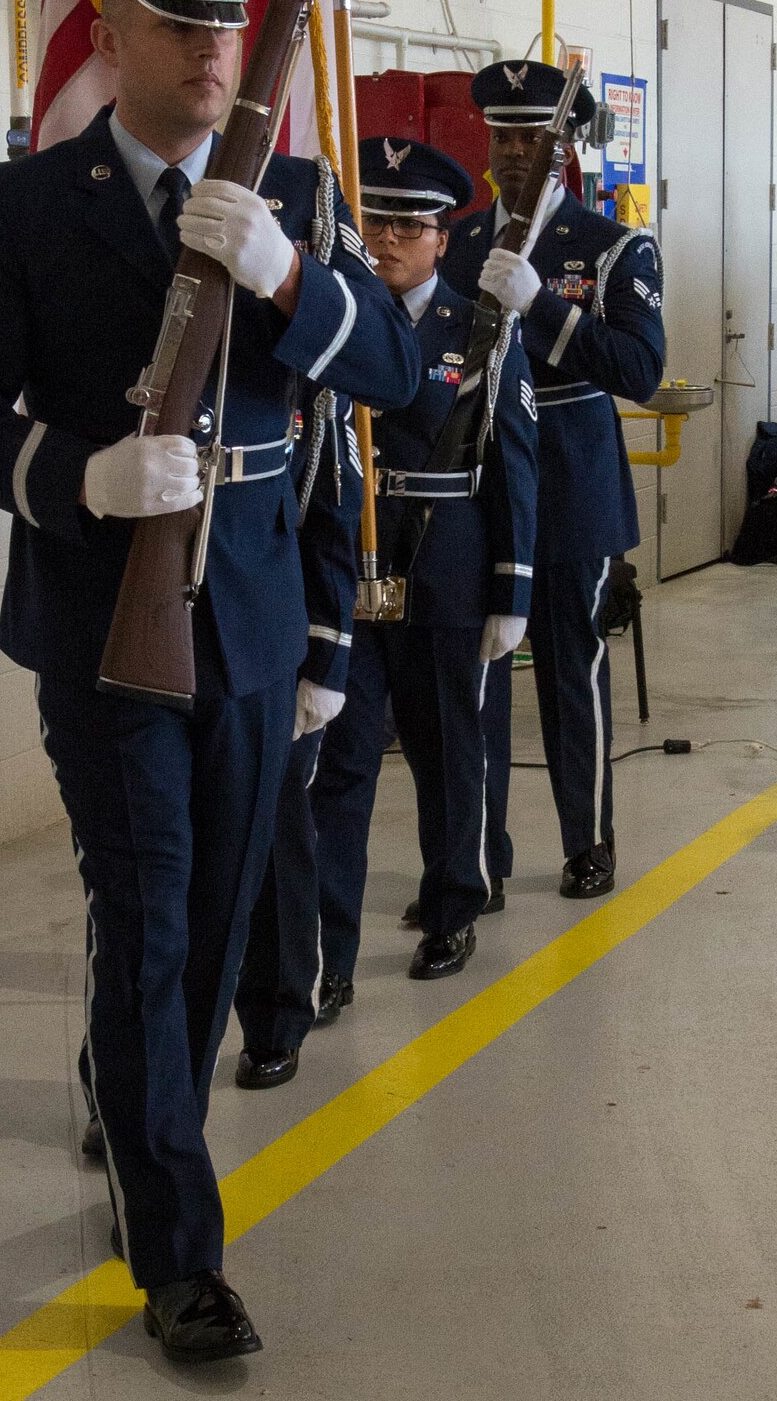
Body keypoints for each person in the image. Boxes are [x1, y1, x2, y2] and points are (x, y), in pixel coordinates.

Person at [0, 0, 418, 1366]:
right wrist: (77, 478)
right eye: (181, 24)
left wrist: (285, 275)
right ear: (108, 33)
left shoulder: (302, 199)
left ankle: (136, 1110)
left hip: (252, 609)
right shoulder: (17, 205)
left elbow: (395, 376)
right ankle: (178, 1255)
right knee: (147, 914)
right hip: (103, 609)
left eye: (228, 26)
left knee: (210, 919)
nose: (212, 50)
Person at [300, 135, 538, 1018]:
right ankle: (327, 953)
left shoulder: (478, 332)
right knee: (342, 760)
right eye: (375, 221)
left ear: (444, 239)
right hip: (348, 567)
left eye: (411, 225)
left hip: (447, 564)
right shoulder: (334, 319)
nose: (391, 239)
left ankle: (452, 907)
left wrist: (510, 591)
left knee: (446, 750)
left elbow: (513, 462)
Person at [442, 60, 666, 900]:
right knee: (477, 676)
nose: (513, 153)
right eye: (501, 135)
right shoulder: (459, 241)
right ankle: (479, 859)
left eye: (532, 137)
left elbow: (640, 370)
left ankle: (587, 840)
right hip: (478, 483)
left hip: (572, 484)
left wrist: (545, 305)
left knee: (571, 669)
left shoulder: (608, 248)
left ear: (563, 147)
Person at [231, 386, 361, 1090]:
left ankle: (277, 1020)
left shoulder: (305, 375)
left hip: (273, 638)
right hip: (164, 637)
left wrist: (325, 661)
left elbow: (333, 518)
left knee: (280, 837)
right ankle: (124, 1069)